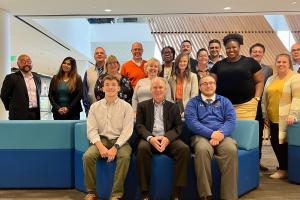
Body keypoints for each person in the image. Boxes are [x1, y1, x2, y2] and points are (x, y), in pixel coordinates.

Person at [136, 77, 190, 200]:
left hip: (168, 140)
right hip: (149, 139)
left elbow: (178, 127)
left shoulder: (174, 107)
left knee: (184, 149)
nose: (158, 90)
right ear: (151, 90)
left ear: (165, 90)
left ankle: (177, 193)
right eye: (155, 87)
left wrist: (167, 138)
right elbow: (139, 126)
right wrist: (150, 138)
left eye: (160, 87)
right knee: (141, 148)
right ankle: (144, 193)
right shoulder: (142, 106)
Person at [185, 74, 237, 200]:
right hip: (200, 136)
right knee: (202, 150)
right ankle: (205, 195)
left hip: (222, 136)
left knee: (231, 149)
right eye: (205, 83)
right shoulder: (193, 103)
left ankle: (229, 196)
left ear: (215, 85)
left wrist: (219, 135)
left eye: (211, 83)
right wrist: (211, 134)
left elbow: (231, 121)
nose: (209, 86)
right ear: (200, 87)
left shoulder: (225, 101)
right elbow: (192, 122)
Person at [83, 75, 134, 200]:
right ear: (102, 88)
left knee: (125, 157)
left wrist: (116, 147)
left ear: (119, 88)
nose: (110, 87)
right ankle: (91, 192)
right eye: (107, 84)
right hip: (101, 140)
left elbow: (127, 131)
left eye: (113, 85)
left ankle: (116, 195)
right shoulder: (94, 107)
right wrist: (100, 146)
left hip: (120, 141)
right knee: (87, 156)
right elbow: (91, 130)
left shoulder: (127, 107)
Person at [262, 53, 300, 179]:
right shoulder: (271, 79)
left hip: (288, 118)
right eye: (278, 62)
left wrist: (293, 114)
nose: (281, 64)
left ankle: (284, 169)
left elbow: (297, 97)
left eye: (284, 62)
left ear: (289, 63)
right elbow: (265, 98)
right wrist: (265, 115)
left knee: (284, 144)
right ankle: (284, 166)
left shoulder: (295, 77)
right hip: (273, 117)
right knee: (275, 142)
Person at [210, 33, 264, 120]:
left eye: (234, 47)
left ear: (239, 47)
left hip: (246, 106)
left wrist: (256, 98)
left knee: (244, 132)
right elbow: (211, 85)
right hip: (223, 106)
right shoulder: (218, 65)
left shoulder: (250, 62)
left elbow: (260, 81)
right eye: (228, 48)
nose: (231, 50)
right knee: (225, 132)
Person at [249, 43, 273, 170]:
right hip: (247, 104)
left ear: (263, 54)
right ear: (250, 53)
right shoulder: (244, 66)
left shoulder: (268, 70)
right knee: (248, 133)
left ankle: (257, 161)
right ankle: (248, 161)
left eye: (259, 51)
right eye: (254, 51)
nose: (257, 53)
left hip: (261, 106)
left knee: (259, 134)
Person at [1, 54, 41, 120]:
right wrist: (12, 107)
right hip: (18, 114)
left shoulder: (37, 77)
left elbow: (39, 92)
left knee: (34, 130)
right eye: (23, 62)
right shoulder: (11, 77)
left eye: (28, 61)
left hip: (35, 114)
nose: (26, 64)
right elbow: (4, 95)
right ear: (18, 64)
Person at [83, 47, 107, 115]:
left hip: (109, 109)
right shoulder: (88, 71)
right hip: (92, 108)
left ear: (105, 56)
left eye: (101, 53)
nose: (99, 54)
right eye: (97, 53)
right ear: (94, 56)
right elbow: (84, 91)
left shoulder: (110, 71)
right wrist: (87, 109)